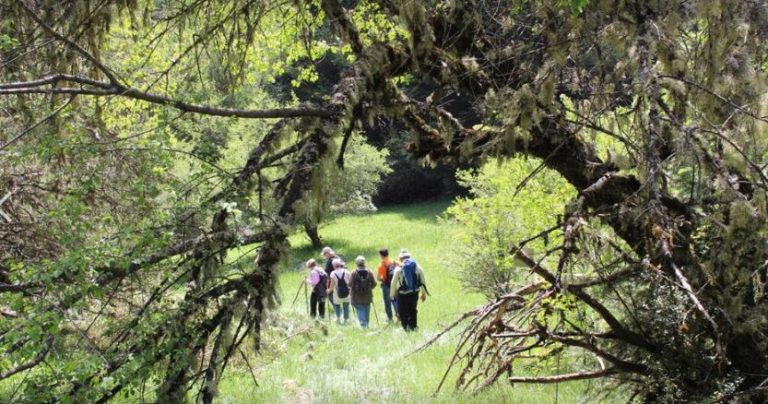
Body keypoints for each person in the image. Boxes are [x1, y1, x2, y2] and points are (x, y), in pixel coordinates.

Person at [390, 249, 428, 331]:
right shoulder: (417, 267)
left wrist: (392, 295)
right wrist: (423, 293)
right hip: (414, 293)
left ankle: (405, 328)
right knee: (413, 309)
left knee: (403, 311)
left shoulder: (398, 269)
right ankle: (413, 327)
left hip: (402, 294)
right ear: (409, 257)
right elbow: (422, 281)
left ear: (400, 258)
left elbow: (393, 283)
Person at [350, 256, 377, 328]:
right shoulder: (369, 272)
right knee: (366, 309)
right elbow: (374, 284)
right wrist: (368, 289)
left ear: (356, 263)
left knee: (360, 309)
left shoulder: (353, 273)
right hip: (367, 296)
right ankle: (366, 324)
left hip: (356, 296)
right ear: (364, 263)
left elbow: (350, 284)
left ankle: (364, 325)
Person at [376, 248, 398, 322]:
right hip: (395, 285)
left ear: (381, 255)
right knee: (395, 300)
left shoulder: (381, 265)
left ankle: (390, 318)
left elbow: (378, 278)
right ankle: (399, 316)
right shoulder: (394, 262)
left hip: (386, 286)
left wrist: (383, 278)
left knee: (387, 302)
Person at [326, 258, 351, 323]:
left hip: (337, 292)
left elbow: (332, 285)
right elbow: (350, 283)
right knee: (346, 305)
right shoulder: (347, 271)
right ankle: (346, 320)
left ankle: (338, 319)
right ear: (340, 264)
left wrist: (328, 291)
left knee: (337, 305)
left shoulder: (333, 273)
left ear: (333, 266)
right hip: (347, 292)